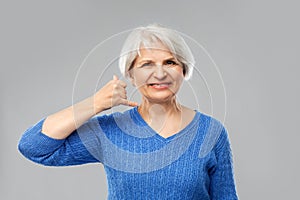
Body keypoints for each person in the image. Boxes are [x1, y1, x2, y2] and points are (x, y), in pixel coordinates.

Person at [18, 24, 238, 199]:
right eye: (147, 64)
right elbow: (34, 147)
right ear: (131, 75)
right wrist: (96, 103)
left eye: (170, 62)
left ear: (183, 71)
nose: (160, 74)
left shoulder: (211, 131)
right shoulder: (110, 131)